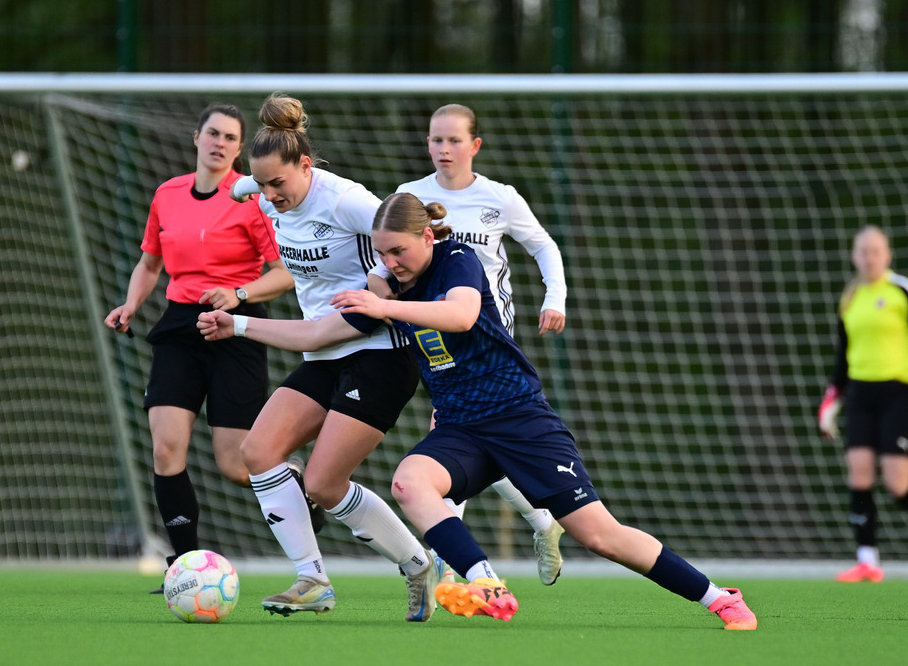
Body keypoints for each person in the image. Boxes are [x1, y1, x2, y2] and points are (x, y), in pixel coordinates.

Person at [197, 192, 759, 629]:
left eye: (400, 250)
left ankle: (716, 597)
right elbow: (316, 331)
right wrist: (239, 324)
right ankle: (487, 581)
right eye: (382, 252)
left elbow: (462, 315)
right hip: (462, 426)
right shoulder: (388, 287)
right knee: (410, 482)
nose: (391, 261)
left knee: (599, 534)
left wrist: (385, 302)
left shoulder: (457, 258)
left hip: (519, 417)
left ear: (428, 236)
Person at [225, 93, 438, 621]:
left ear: (306, 165)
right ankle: (311, 578)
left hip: (378, 351)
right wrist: (241, 187)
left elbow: (406, 233)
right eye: (263, 185)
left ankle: (416, 564)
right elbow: (241, 185)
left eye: (279, 184)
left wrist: (382, 282)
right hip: (324, 352)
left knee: (322, 483)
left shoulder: (347, 200)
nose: (271, 196)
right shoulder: (266, 187)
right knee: (257, 452)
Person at [104, 104, 294, 592]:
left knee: (236, 464)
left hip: (235, 329)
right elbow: (150, 264)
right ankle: (184, 567)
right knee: (167, 450)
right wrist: (129, 304)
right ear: (196, 137)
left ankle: (304, 489)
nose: (220, 143)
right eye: (213, 133)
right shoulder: (167, 195)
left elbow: (283, 274)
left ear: (239, 148)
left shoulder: (252, 200)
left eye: (231, 138)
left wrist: (239, 294)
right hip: (180, 329)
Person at [394, 103, 568, 585]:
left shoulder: (500, 197)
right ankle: (538, 522)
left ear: (475, 146)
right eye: (435, 140)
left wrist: (556, 297)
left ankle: (454, 573)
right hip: (431, 335)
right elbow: (384, 252)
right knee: (459, 447)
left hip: (486, 343)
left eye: (453, 140)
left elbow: (543, 245)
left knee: (449, 439)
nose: (443, 149)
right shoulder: (410, 197)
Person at [817, 224, 908, 583]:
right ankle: (867, 560)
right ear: (854, 257)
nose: (869, 257)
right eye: (863, 251)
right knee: (859, 470)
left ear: (887, 255)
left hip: (899, 392)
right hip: (859, 394)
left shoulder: (901, 290)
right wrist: (831, 400)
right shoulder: (850, 298)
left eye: (875, 251)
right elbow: (843, 356)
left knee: (897, 482)